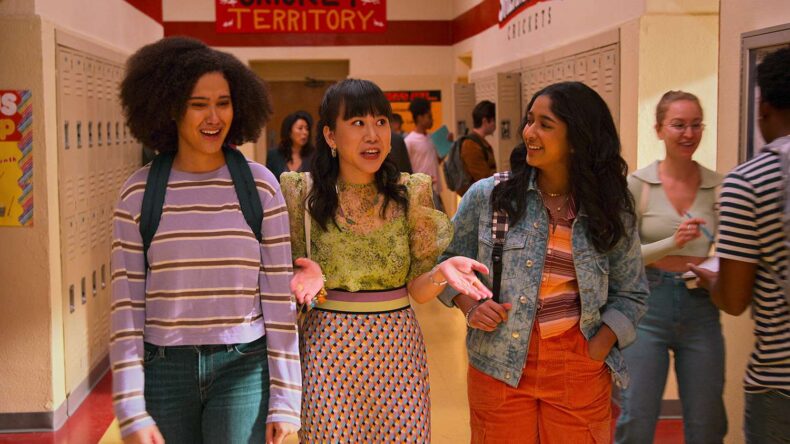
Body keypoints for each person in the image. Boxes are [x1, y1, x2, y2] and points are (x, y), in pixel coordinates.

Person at [280, 78, 492, 442]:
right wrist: (302, 283)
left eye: (380, 122)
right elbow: (284, 286)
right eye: (357, 123)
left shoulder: (410, 193)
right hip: (326, 350)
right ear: (330, 135)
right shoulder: (303, 194)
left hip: (397, 350)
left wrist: (441, 272)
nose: (373, 135)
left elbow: (418, 290)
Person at [110, 37, 300, 444]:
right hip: (164, 370)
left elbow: (278, 300)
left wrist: (286, 399)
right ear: (170, 108)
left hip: (243, 366)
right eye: (198, 104)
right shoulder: (138, 194)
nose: (214, 117)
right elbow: (127, 307)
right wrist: (129, 406)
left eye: (223, 103)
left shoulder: (261, 188)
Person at [438, 81, 649, 443]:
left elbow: (632, 292)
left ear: (577, 138)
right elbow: (444, 260)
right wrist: (470, 304)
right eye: (530, 120)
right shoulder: (490, 196)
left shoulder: (609, 208)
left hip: (577, 364)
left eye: (545, 124)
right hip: (498, 362)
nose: (529, 132)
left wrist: (598, 346)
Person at [691, 47, 790, 444]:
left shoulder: (748, 182)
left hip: (780, 382)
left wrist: (710, 280)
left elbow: (733, 299)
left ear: (762, 105)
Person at [615, 91, 726, 443]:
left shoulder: (718, 186)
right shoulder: (639, 185)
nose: (688, 134)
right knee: (637, 416)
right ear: (659, 129)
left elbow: (730, 249)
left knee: (707, 420)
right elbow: (621, 256)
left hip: (701, 304)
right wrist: (672, 243)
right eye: (678, 125)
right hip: (648, 303)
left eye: (696, 125)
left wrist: (716, 270)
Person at [405, 97, 444, 211]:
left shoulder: (431, 138)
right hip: (420, 194)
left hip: (434, 191)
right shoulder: (409, 141)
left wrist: (447, 145)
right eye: (429, 117)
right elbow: (406, 170)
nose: (432, 120)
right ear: (420, 118)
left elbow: (435, 161)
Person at [457, 100, 497, 195]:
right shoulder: (470, 145)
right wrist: (506, 177)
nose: (496, 124)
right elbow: (484, 178)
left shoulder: (479, 142)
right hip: (476, 198)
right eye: (494, 120)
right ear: (485, 121)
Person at [266, 110, 315, 181]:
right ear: (289, 132)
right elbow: (269, 182)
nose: (305, 132)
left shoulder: (314, 155)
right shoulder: (273, 155)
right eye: (300, 128)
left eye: (307, 129)